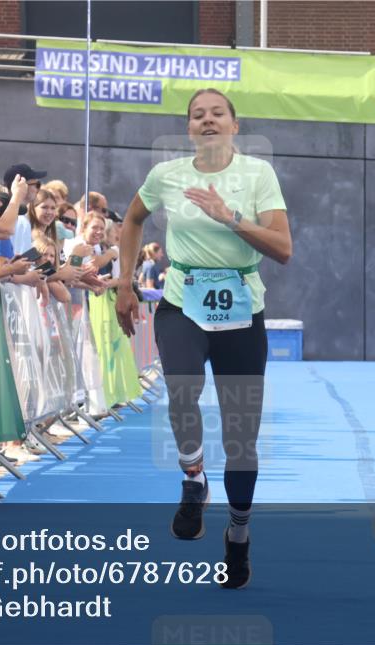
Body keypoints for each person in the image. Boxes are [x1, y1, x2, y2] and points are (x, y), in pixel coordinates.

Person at [115, 88, 292, 590]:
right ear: (189, 128)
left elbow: (283, 248)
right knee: (182, 386)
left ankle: (238, 533)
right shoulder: (166, 175)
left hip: (242, 307)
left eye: (217, 114)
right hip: (183, 300)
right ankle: (193, 477)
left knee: (241, 436)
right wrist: (125, 282)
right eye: (198, 115)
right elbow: (132, 219)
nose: (207, 120)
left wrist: (229, 217)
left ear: (235, 125)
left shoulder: (258, 175)